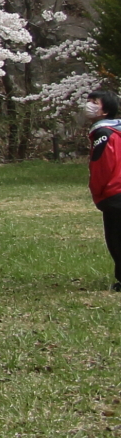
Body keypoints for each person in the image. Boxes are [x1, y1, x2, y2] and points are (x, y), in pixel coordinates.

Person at [87, 89, 121, 290]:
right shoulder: (116, 131)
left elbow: (102, 166)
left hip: (114, 192)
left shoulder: (103, 133)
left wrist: (98, 192)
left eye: (94, 102)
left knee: (116, 237)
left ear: (105, 110)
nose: (89, 105)